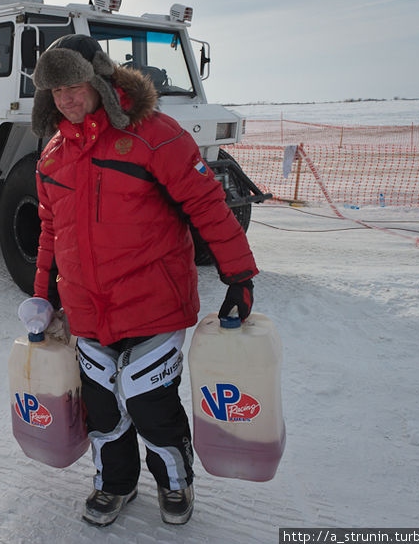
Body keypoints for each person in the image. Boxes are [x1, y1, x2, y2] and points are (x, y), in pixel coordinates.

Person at [29, 35, 258, 527]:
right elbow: (51, 229)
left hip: (153, 304)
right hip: (89, 311)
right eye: (55, 91)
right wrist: (43, 294)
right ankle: (115, 484)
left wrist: (239, 276)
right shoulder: (51, 154)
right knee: (103, 410)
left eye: (74, 84)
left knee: (151, 406)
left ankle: (176, 483)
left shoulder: (156, 134)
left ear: (100, 79)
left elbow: (207, 206)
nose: (66, 98)